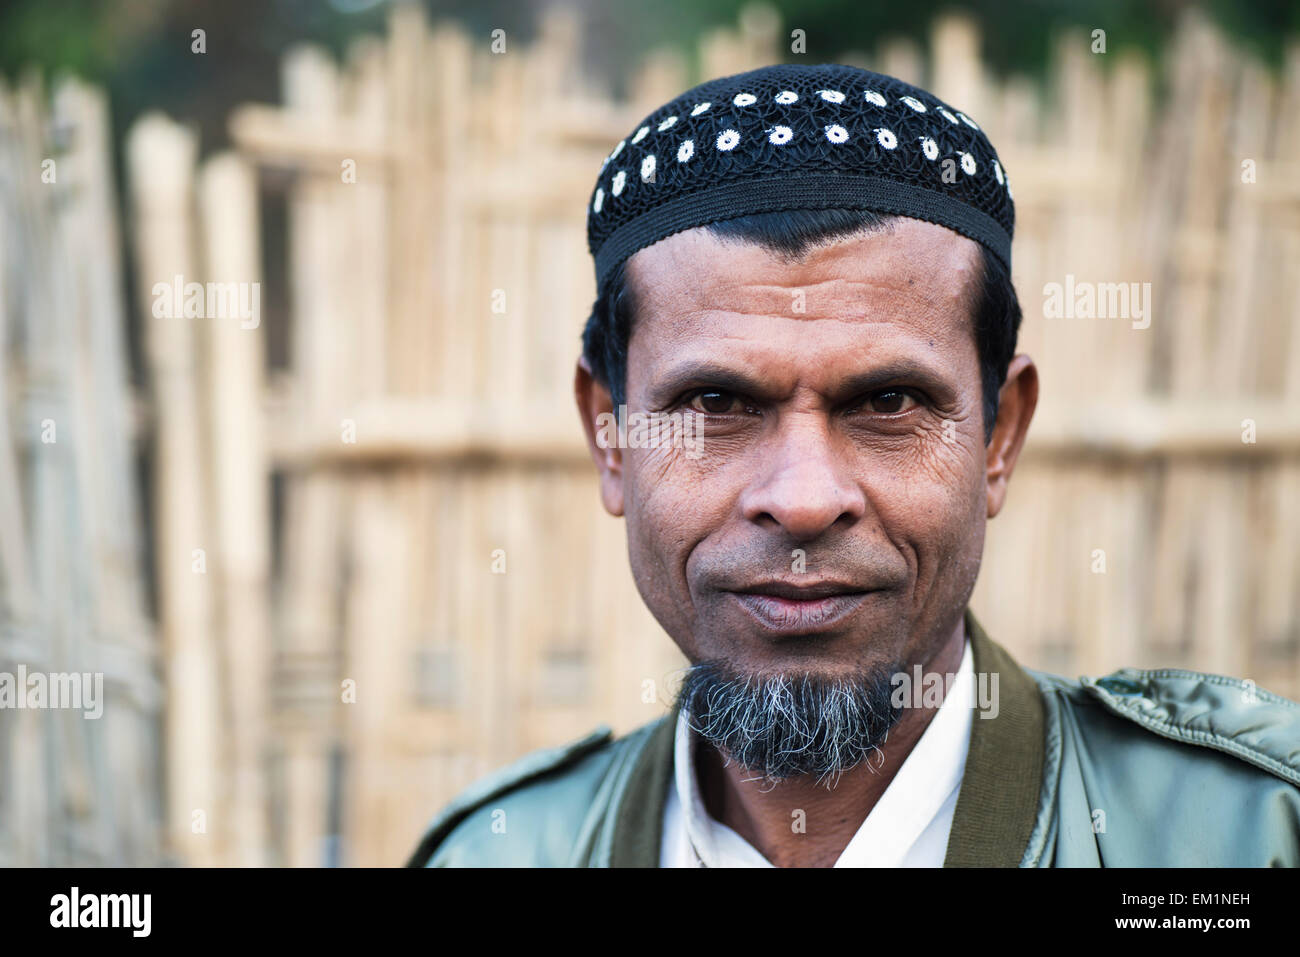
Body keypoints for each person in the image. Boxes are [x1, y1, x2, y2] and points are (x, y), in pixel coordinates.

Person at [408, 63, 1300, 867]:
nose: (802, 499)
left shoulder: (1247, 837)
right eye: (716, 405)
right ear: (611, 434)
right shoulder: (498, 854)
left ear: (1000, 435)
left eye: (887, 403)